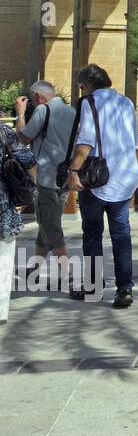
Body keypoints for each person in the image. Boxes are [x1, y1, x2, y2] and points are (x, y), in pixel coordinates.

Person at [64, 63, 138, 309]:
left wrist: (73, 170)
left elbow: (85, 143)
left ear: (87, 85)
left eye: (81, 87)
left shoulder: (90, 102)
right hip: (125, 177)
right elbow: (133, 141)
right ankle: (124, 290)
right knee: (121, 236)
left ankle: (94, 286)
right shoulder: (127, 102)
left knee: (92, 235)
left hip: (97, 180)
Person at [14, 81, 76, 288]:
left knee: (51, 226)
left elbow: (21, 139)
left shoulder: (42, 110)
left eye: (32, 99)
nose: (32, 102)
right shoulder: (72, 111)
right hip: (65, 178)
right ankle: (34, 269)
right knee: (47, 223)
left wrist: (21, 114)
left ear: (38, 97)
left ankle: (68, 274)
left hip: (46, 179)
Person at [0, 123, 38, 325]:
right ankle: (0, 313)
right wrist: (32, 186)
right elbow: (27, 158)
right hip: (2, 204)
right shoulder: (2, 130)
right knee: (3, 259)